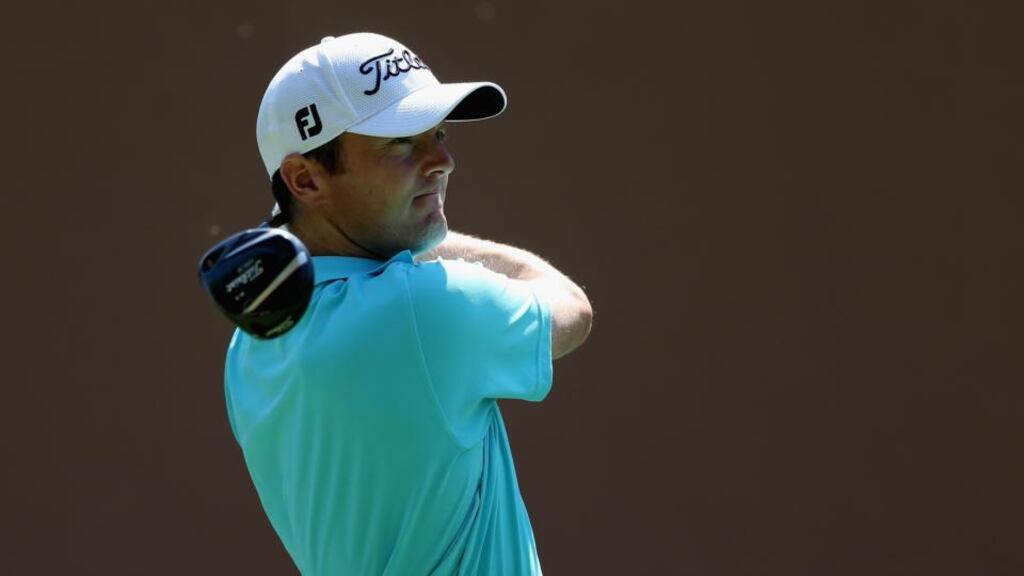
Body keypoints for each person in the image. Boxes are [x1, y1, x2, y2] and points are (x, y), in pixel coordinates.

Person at [224, 32, 593, 575]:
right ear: (305, 178)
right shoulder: (422, 307)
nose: (442, 160)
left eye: (437, 133)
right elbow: (571, 310)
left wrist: (389, 230)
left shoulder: (249, 345)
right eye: (400, 142)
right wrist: (424, 238)